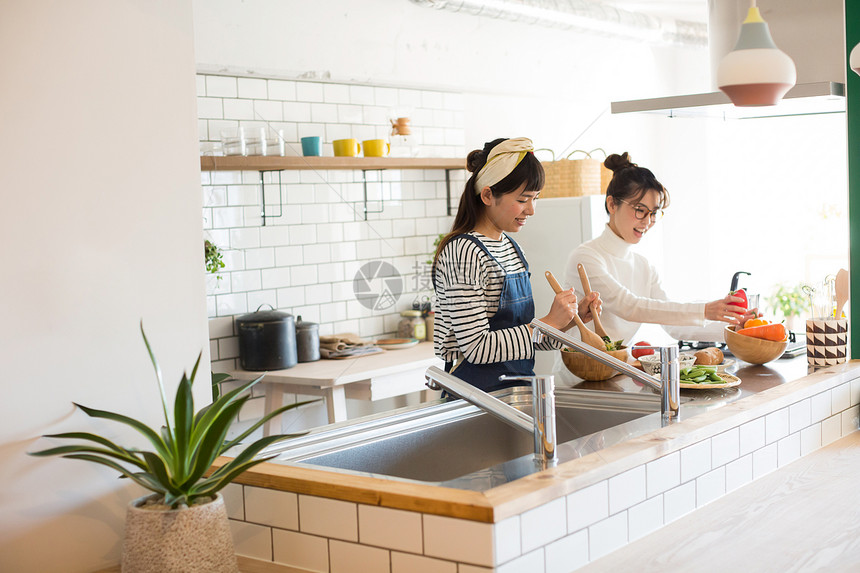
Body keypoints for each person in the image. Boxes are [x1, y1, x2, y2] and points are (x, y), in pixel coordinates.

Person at [432, 137, 602, 392]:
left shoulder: (512, 248)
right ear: (488, 194)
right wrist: (550, 322)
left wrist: (569, 320)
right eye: (523, 199)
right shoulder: (463, 252)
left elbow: (525, 340)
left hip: (516, 392)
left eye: (535, 198)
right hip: (477, 399)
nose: (531, 210)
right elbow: (477, 348)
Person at [562, 152, 756, 351]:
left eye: (654, 213)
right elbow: (629, 306)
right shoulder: (586, 258)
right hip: (577, 377)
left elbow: (673, 325)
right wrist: (705, 310)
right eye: (640, 209)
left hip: (617, 370)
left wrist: (735, 328)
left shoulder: (643, 266)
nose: (647, 221)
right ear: (612, 204)